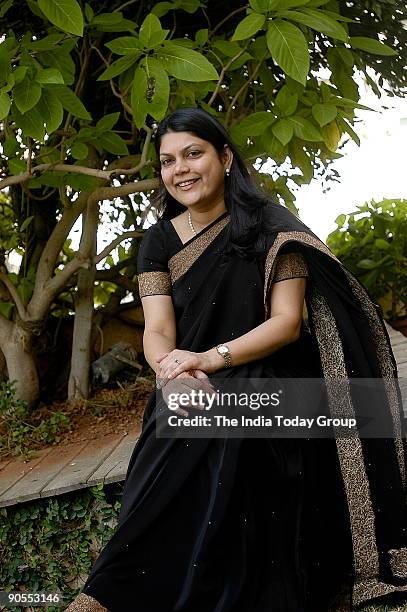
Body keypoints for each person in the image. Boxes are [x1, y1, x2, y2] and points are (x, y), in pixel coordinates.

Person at [66, 107, 407, 612]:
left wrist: (208, 358)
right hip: (189, 376)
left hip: (270, 370)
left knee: (229, 425)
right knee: (178, 418)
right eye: (167, 161)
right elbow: (158, 329)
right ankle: (116, 592)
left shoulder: (271, 228)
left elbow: (286, 322)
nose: (180, 169)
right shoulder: (158, 243)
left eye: (193, 153)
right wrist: (171, 373)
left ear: (224, 157)